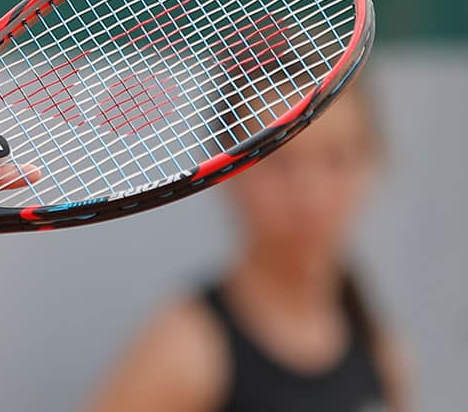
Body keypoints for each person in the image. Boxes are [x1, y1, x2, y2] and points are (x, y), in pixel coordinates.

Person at [88, 82, 411, 412]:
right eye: (280, 162)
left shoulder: (379, 349)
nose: (310, 196)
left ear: (372, 161)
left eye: (336, 158)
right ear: (228, 171)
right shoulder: (187, 352)